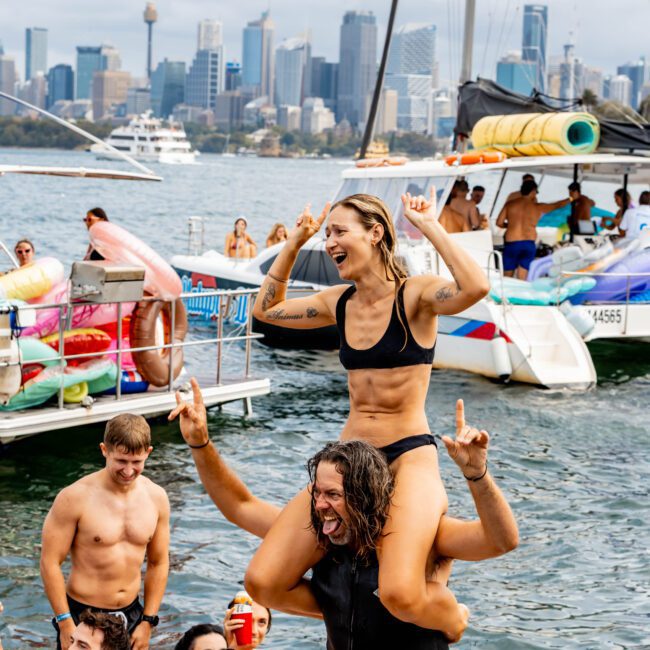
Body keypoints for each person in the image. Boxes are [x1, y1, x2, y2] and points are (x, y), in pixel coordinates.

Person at [247, 191, 489, 638]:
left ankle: (450, 619)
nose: (331, 242)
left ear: (375, 233)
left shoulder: (414, 295)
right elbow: (266, 310)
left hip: (407, 455)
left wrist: (430, 224)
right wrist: (296, 242)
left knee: (398, 591)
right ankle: (349, 612)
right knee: (262, 581)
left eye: (339, 232)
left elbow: (475, 288)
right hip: (349, 460)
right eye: (327, 235)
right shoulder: (338, 302)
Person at [169, 379, 518, 649]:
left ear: (364, 498)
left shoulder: (422, 538)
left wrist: (477, 475)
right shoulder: (320, 535)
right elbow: (239, 506)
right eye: (317, 493)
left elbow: (500, 541)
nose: (319, 505)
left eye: (332, 495)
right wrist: (201, 444)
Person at [40, 414, 170, 650]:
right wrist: (64, 621)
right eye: (121, 461)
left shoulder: (157, 498)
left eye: (137, 462)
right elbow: (50, 562)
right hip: (82, 614)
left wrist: (148, 621)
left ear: (149, 452)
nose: (129, 471)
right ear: (104, 450)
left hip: (131, 615)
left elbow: (158, 563)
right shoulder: (74, 497)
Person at [496, 179, 571, 280]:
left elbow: (499, 223)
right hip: (528, 244)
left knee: (506, 277)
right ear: (533, 191)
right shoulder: (537, 207)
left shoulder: (510, 204)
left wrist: (510, 226)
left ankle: (504, 295)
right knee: (522, 278)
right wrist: (571, 198)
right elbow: (556, 205)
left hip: (512, 244)